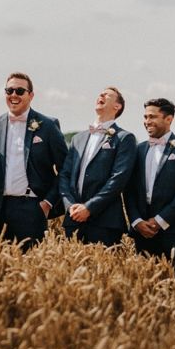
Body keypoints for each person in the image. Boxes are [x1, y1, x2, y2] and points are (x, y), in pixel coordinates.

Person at [0, 72, 68, 248]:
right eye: (9, 90)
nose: (14, 95)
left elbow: (66, 169)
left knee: (30, 268)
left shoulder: (48, 125)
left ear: (31, 95)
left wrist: (47, 203)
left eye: (20, 91)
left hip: (31, 208)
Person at [59, 86, 137, 246]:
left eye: (107, 95)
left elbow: (118, 179)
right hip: (73, 220)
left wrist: (89, 208)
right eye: (100, 93)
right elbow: (64, 175)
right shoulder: (78, 139)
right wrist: (70, 205)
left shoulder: (124, 138)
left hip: (104, 221)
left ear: (117, 106)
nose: (101, 94)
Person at [125, 98, 175, 267]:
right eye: (145, 117)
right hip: (141, 233)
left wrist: (160, 220)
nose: (147, 121)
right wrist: (136, 221)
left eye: (152, 117)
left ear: (169, 119)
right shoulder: (138, 149)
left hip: (174, 231)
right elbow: (129, 189)